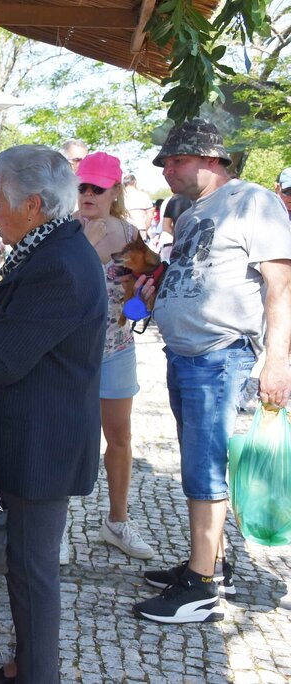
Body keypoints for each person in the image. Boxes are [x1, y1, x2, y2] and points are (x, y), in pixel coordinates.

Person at [0, 145, 106, 684]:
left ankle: (37, 675)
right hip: (38, 433)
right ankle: (26, 665)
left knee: (32, 568)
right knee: (25, 563)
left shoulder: (58, 263)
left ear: (34, 205)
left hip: (44, 442)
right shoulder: (51, 247)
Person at [133, 119, 291, 624]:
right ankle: (211, 564)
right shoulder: (193, 211)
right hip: (187, 354)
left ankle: (200, 589)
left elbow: (281, 284)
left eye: (177, 160)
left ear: (212, 159)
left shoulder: (252, 201)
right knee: (197, 462)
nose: (167, 169)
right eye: (164, 162)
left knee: (204, 467)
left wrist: (277, 361)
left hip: (220, 355)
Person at [76, 152, 154, 560]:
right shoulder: (64, 230)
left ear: (115, 191)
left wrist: (142, 299)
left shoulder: (130, 235)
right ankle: (54, 526)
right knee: (69, 435)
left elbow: (139, 304)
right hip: (71, 352)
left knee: (120, 437)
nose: (88, 194)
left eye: (98, 188)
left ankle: (118, 521)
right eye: (82, 186)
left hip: (117, 347)